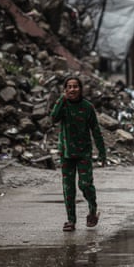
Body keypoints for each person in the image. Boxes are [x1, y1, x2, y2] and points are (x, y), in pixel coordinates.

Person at [50, 75, 106, 232]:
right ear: (65, 90)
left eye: (75, 86)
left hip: (83, 153)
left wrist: (102, 153)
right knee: (68, 189)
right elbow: (53, 119)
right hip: (66, 152)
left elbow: (95, 130)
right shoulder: (63, 105)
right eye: (69, 87)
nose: (72, 89)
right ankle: (71, 220)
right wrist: (61, 99)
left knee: (85, 184)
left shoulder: (87, 107)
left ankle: (92, 209)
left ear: (80, 89)